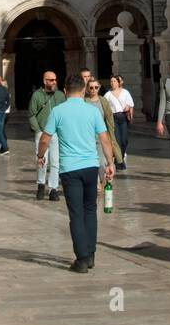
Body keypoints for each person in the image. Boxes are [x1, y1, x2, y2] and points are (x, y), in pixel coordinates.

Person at [39, 74, 115, 273]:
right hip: (91, 167)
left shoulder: (57, 111)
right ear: (83, 90)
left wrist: (40, 156)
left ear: (64, 91)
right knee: (90, 210)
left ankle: (81, 259)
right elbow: (105, 139)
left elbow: (45, 138)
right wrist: (110, 162)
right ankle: (90, 255)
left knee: (76, 214)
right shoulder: (92, 111)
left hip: (70, 170)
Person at [28, 70, 66, 202]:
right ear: (45, 81)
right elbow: (32, 114)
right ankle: (40, 184)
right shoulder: (37, 96)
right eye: (51, 80)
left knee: (55, 162)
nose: (54, 82)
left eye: (55, 79)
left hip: (56, 133)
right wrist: (37, 130)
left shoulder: (60, 95)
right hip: (42, 133)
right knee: (42, 161)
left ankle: (53, 189)